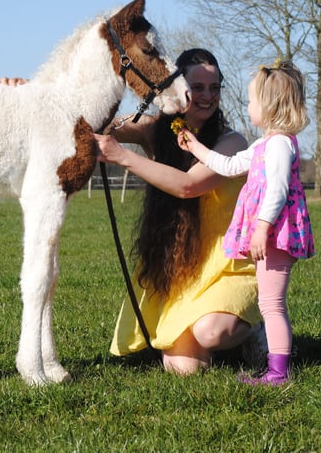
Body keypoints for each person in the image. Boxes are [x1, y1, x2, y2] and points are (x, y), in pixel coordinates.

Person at [94, 48, 266, 375]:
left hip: (226, 267)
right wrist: (28, 91)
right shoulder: (153, 129)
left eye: (214, 87)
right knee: (182, 370)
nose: (207, 96)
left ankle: (256, 326)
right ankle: (214, 329)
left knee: (210, 332)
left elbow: (189, 186)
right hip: (183, 269)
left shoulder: (232, 143)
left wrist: (123, 156)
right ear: (179, 87)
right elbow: (94, 123)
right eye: (197, 87)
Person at [178, 59, 315, 385]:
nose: (248, 105)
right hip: (272, 234)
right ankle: (275, 367)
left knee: (272, 305)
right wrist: (196, 147)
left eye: (252, 100)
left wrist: (262, 228)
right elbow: (229, 166)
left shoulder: (279, 145)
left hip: (276, 234)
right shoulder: (265, 144)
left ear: (269, 105)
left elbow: (278, 190)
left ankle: (278, 372)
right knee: (270, 304)